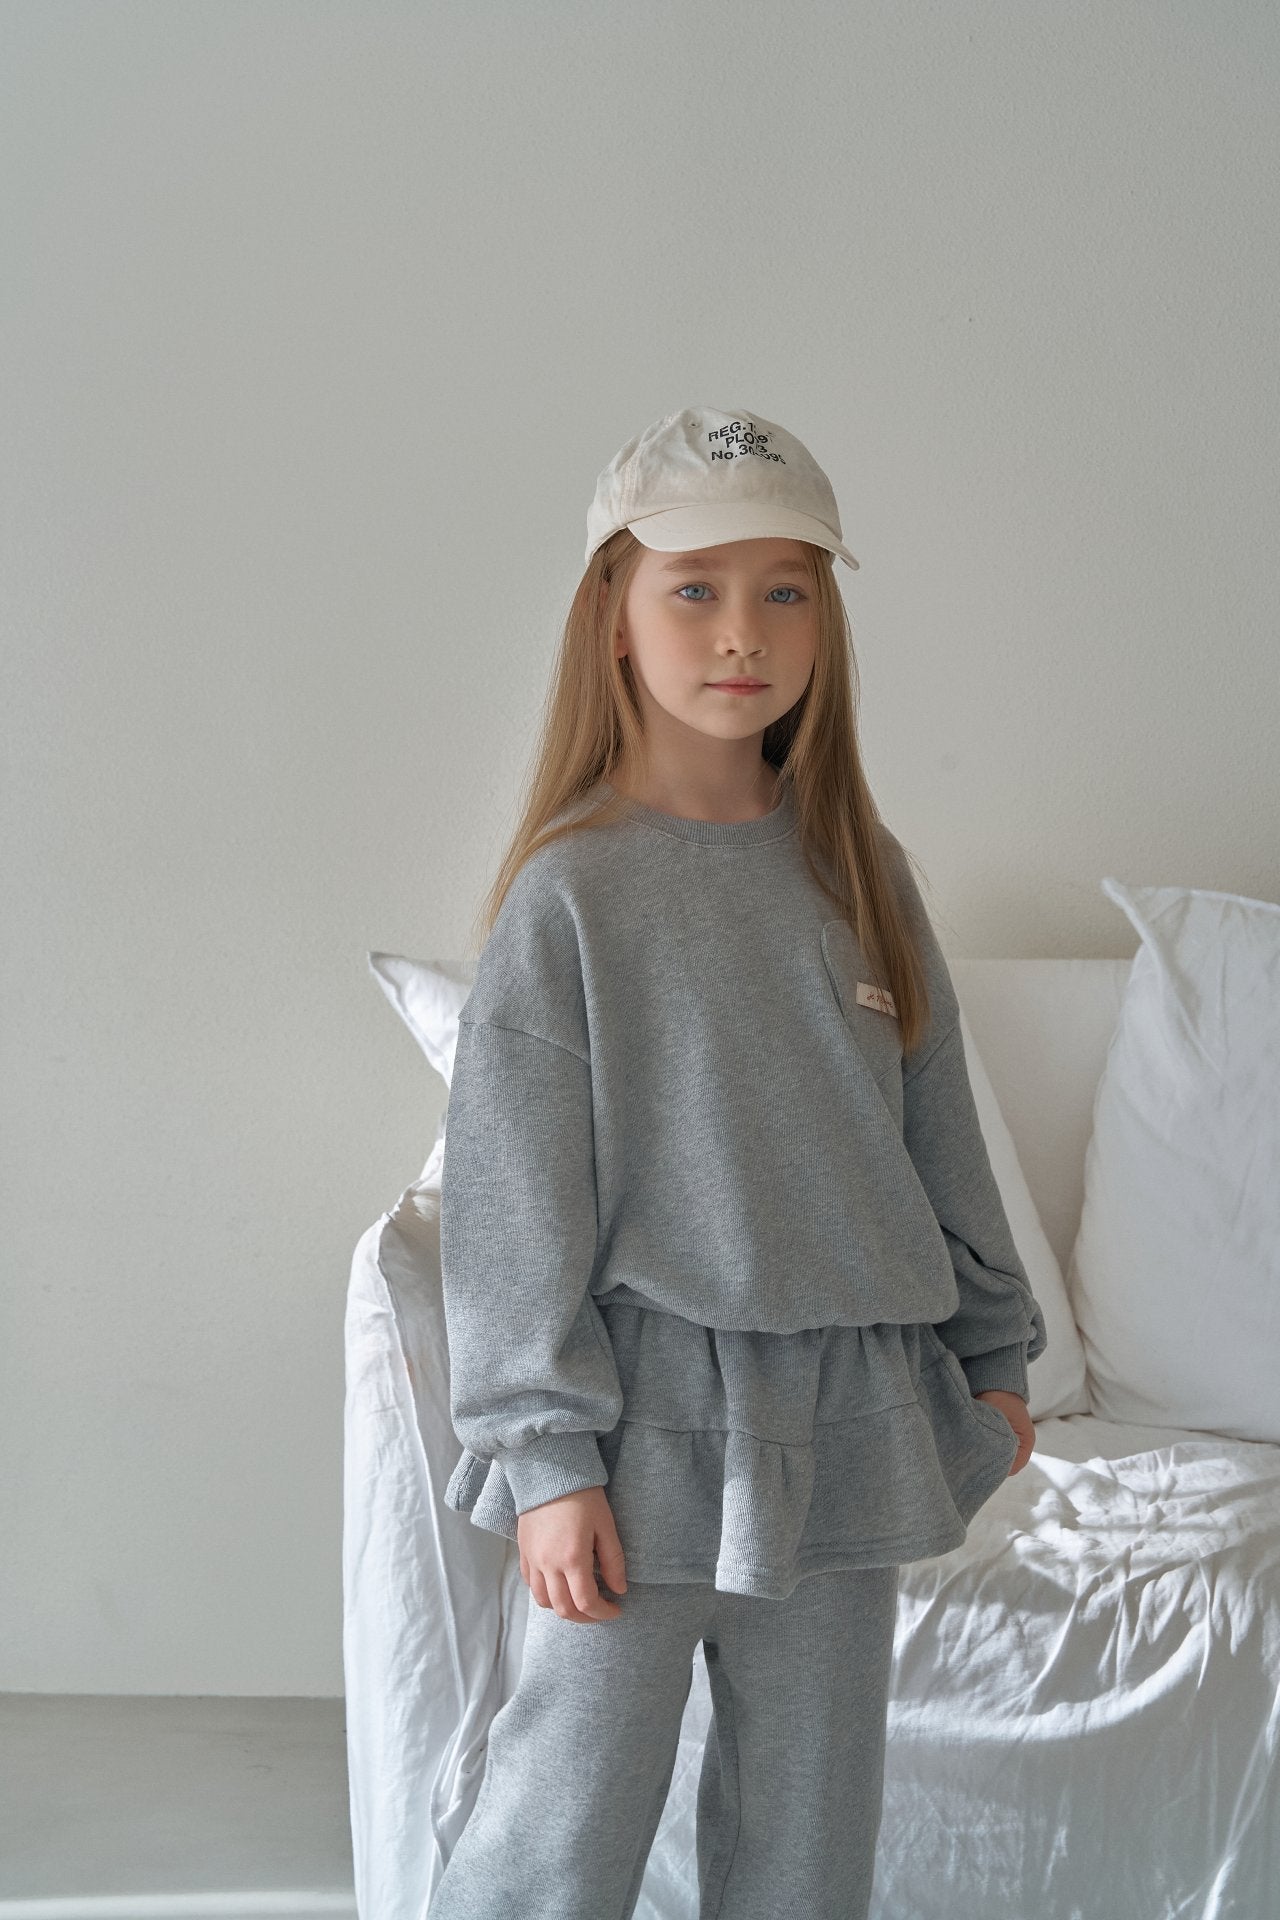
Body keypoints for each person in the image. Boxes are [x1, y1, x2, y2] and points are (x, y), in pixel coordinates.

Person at [426, 404, 1048, 1920]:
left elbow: (933, 1131)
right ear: (614, 613)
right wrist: (549, 1461)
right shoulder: (572, 898)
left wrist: (993, 1353)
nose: (742, 631)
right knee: (559, 1829)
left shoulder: (861, 873)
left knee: (806, 1837)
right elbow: (513, 1208)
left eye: (787, 589)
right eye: (694, 587)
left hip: (845, 1420)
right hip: (638, 1432)